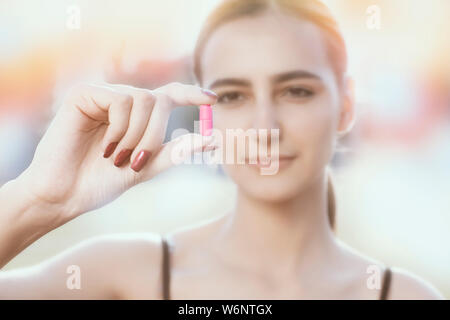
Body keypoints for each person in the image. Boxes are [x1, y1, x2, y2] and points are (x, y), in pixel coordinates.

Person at [0, 0, 444, 299]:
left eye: (296, 91)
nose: (265, 126)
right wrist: (39, 201)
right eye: (232, 95)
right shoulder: (121, 274)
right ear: (204, 113)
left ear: (345, 107)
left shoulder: (405, 294)